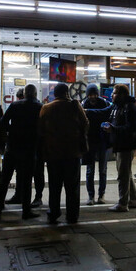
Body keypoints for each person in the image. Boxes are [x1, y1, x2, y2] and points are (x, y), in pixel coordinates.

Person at [38, 83, 89, 224]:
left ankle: (54, 213)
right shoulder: (74, 105)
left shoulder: (46, 108)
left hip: (53, 154)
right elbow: (85, 124)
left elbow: (40, 130)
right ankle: (72, 215)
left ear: (54, 93)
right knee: (72, 187)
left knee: (54, 186)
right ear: (67, 93)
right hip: (72, 153)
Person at [87, 84, 136, 212]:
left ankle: (123, 203)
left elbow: (132, 128)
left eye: (115, 93)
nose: (112, 95)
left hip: (126, 146)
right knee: (126, 173)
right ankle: (133, 200)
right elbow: (103, 112)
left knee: (123, 174)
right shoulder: (116, 106)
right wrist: (86, 111)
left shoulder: (129, 107)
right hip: (119, 145)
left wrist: (113, 129)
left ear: (122, 95)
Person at [0, 84, 42, 221]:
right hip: (30, 148)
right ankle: (26, 211)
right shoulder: (39, 107)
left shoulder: (15, 105)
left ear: (25, 93)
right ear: (35, 93)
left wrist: (12, 131)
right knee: (27, 180)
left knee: (5, 178)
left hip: (13, 146)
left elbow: (2, 123)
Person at [81, 83, 110, 205]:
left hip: (102, 140)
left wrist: (89, 112)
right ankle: (91, 196)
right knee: (90, 170)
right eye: (90, 94)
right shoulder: (84, 104)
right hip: (90, 141)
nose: (93, 97)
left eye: (94, 94)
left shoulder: (103, 104)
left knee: (102, 170)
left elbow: (106, 114)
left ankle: (101, 195)